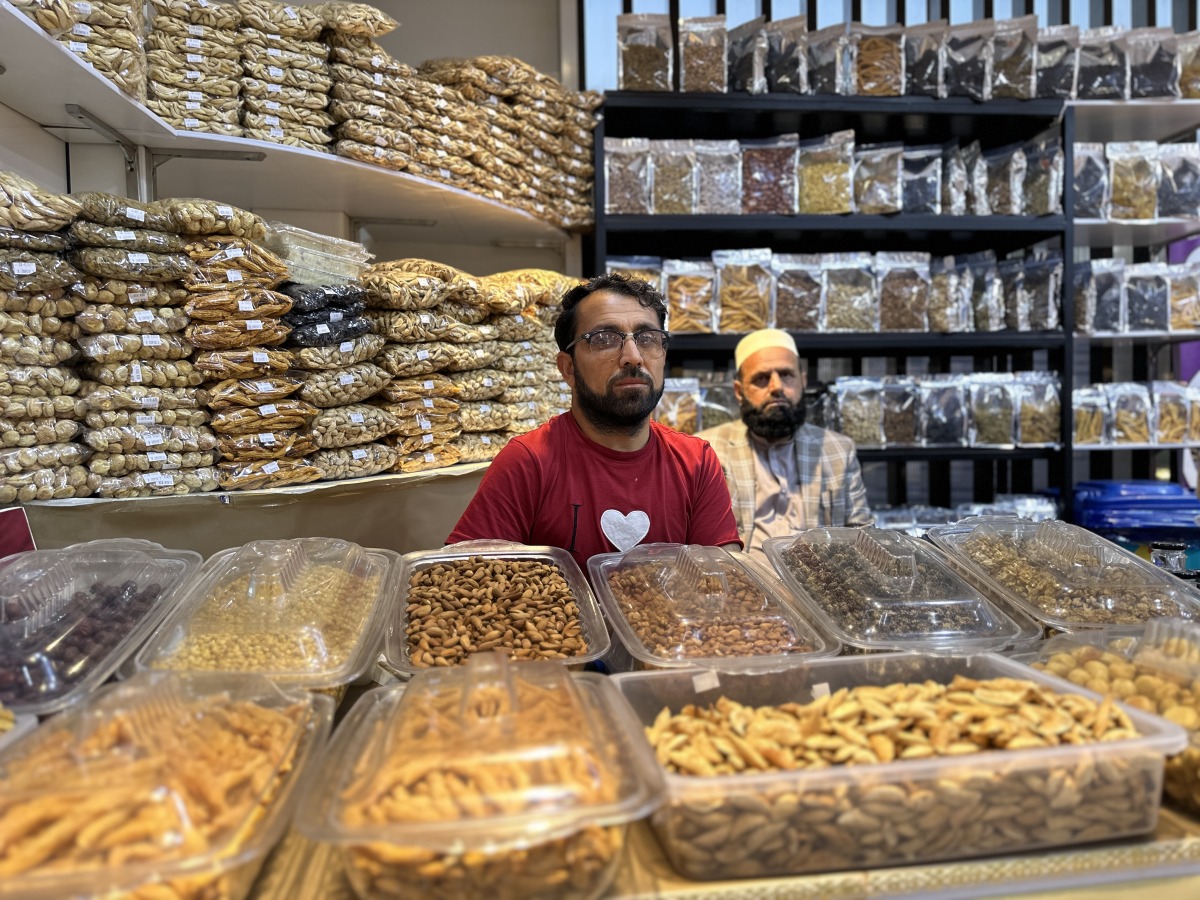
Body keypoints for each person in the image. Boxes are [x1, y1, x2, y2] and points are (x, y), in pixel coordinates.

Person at [448, 273, 741, 569]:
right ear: (568, 369)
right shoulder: (528, 462)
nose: (633, 356)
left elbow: (725, 586)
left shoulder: (695, 462)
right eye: (604, 339)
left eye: (647, 338)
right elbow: (466, 581)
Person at [697, 328, 871, 561]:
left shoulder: (838, 451)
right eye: (761, 378)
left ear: (803, 381)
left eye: (786, 374)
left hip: (819, 590)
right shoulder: (706, 451)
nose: (776, 386)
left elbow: (865, 539)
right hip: (742, 590)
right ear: (739, 391)